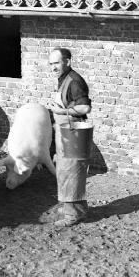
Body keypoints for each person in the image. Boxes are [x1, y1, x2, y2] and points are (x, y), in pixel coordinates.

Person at [47, 47, 92, 227]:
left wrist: (61, 110)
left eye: (57, 63)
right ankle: (72, 208)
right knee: (64, 170)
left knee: (72, 171)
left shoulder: (74, 81)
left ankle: (73, 215)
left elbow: (85, 108)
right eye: (51, 64)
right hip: (64, 129)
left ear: (67, 61)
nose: (53, 67)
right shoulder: (63, 79)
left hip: (73, 131)